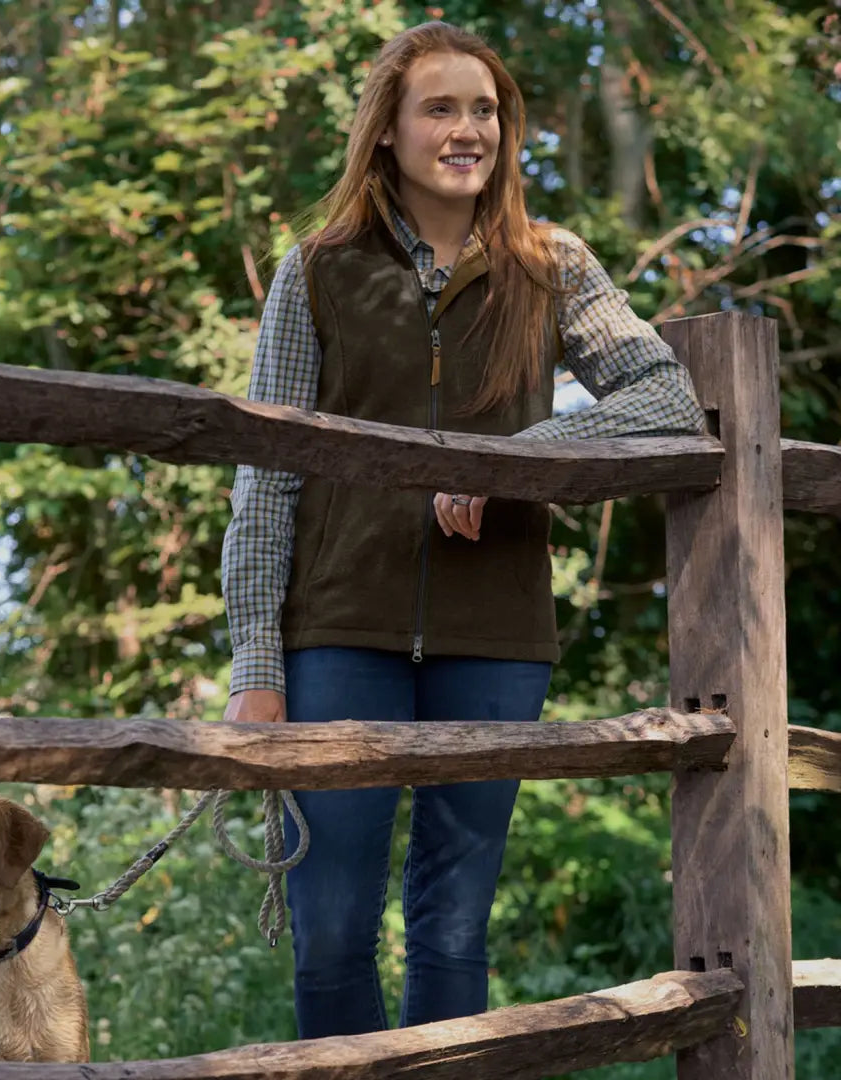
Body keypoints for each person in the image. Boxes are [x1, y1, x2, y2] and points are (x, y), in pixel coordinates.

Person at [220, 20, 705, 1039]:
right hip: (335, 633)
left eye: (484, 109)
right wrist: (255, 665)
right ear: (388, 131)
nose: (467, 128)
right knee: (336, 922)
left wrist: (519, 462)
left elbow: (666, 396)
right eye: (440, 107)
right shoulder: (316, 272)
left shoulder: (553, 265)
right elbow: (266, 481)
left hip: (496, 636)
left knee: (452, 927)